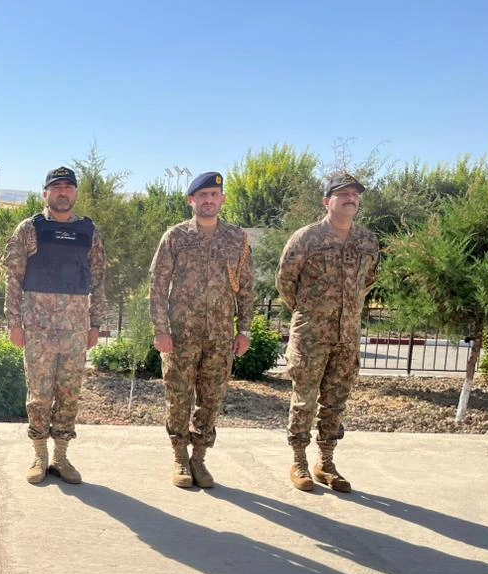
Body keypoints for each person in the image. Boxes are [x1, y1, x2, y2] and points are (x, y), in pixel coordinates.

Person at [149, 171, 254, 489]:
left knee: (211, 399)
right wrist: (160, 329)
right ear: (191, 200)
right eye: (202, 196)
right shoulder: (176, 237)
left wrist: (245, 330)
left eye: (214, 195)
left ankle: (199, 458)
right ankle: (180, 457)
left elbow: (246, 288)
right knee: (178, 397)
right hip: (181, 334)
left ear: (221, 200)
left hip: (220, 336)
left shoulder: (237, 238)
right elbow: (157, 285)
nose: (209, 200)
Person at [276, 171, 380, 492]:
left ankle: (326, 462)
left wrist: (344, 314)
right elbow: (285, 281)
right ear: (327, 201)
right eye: (343, 194)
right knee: (304, 400)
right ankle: (299, 461)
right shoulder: (306, 238)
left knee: (336, 401)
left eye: (355, 195)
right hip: (311, 336)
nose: (351, 198)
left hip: (346, 337)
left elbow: (369, 281)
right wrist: (311, 311)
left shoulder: (367, 241)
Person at [4, 165, 106, 485]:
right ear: (46, 193)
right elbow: (13, 279)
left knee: (69, 392)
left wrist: (95, 324)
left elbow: (99, 280)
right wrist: (14, 323)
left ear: (75, 193)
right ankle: (39, 454)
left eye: (68, 187)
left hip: (75, 328)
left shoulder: (89, 231)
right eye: (56, 187)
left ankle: (61, 457)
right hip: (37, 327)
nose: (63, 192)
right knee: (39, 394)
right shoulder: (29, 229)